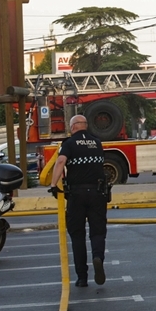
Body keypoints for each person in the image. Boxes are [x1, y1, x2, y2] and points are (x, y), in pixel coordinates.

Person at [50, 115, 108, 288]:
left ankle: (82, 277)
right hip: (97, 193)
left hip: (76, 194)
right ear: (86, 126)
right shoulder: (97, 142)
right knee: (97, 232)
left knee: (77, 235)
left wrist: (54, 184)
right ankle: (98, 257)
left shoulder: (69, 143)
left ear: (73, 127)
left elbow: (61, 161)